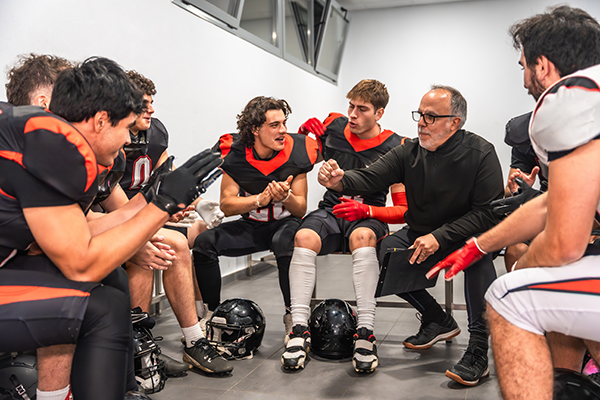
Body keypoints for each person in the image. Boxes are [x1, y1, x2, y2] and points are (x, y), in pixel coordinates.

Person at [0, 57, 221, 399]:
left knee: (110, 288)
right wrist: (162, 207)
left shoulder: (35, 136)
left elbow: (78, 225)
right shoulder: (52, 143)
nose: (129, 141)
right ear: (101, 121)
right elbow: (81, 262)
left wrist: (151, 198)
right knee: (95, 308)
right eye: (127, 128)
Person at [428, 6, 600, 399]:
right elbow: (554, 201)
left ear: (543, 67)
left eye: (524, 66)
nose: (524, 81)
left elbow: (564, 243)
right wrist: (478, 245)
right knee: (555, 291)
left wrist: (520, 268)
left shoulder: (568, 98)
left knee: (507, 296)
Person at [317, 84, 503, 384]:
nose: (420, 122)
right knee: (386, 252)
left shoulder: (481, 153)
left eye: (430, 117)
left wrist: (440, 237)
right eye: (420, 114)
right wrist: (339, 181)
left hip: (467, 235)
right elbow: (369, 177)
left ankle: (479, 350)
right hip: (420, 233)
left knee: (478, 259)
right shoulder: (409, 151)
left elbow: (487, 213)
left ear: (454, 122)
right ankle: (437, 318)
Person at [97, 70, 233, 375]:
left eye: (151, 102)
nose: (151, 109)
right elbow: (115, 202)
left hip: (139, 213)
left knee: (177, 243)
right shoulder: (106, 137)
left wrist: (196, 204)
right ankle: (139, 346)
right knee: (159, 243)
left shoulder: (154, 132)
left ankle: (193, 340)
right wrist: (160, 210)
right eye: (143, 104)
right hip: (108, 218)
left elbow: (168, 177)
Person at [281, 79, 407, 373]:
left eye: (362, 109)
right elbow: (302, 157)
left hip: (367, 216)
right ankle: (299, 328)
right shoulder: (334, 127)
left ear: (380, 113)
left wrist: (367, 209)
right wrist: (301, 136)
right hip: (331, 210)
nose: (353, 114)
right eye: (350, 106)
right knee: (303, 236)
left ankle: (365, 331)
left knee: (363, 236)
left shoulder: (396, 146)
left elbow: (402, 210)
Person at [193, 96, 319, 350]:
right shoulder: (235, 152)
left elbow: (301, 207)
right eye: (274, 125)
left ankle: (293, 317)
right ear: (255, 129)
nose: (283, 130)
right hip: (252, 225)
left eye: (284, 123)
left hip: (285, 224)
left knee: (285, 242)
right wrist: (258, 199)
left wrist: (286, 196)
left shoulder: (298, 149)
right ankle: (212, 313)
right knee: (204, 243)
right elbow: (227, 205)